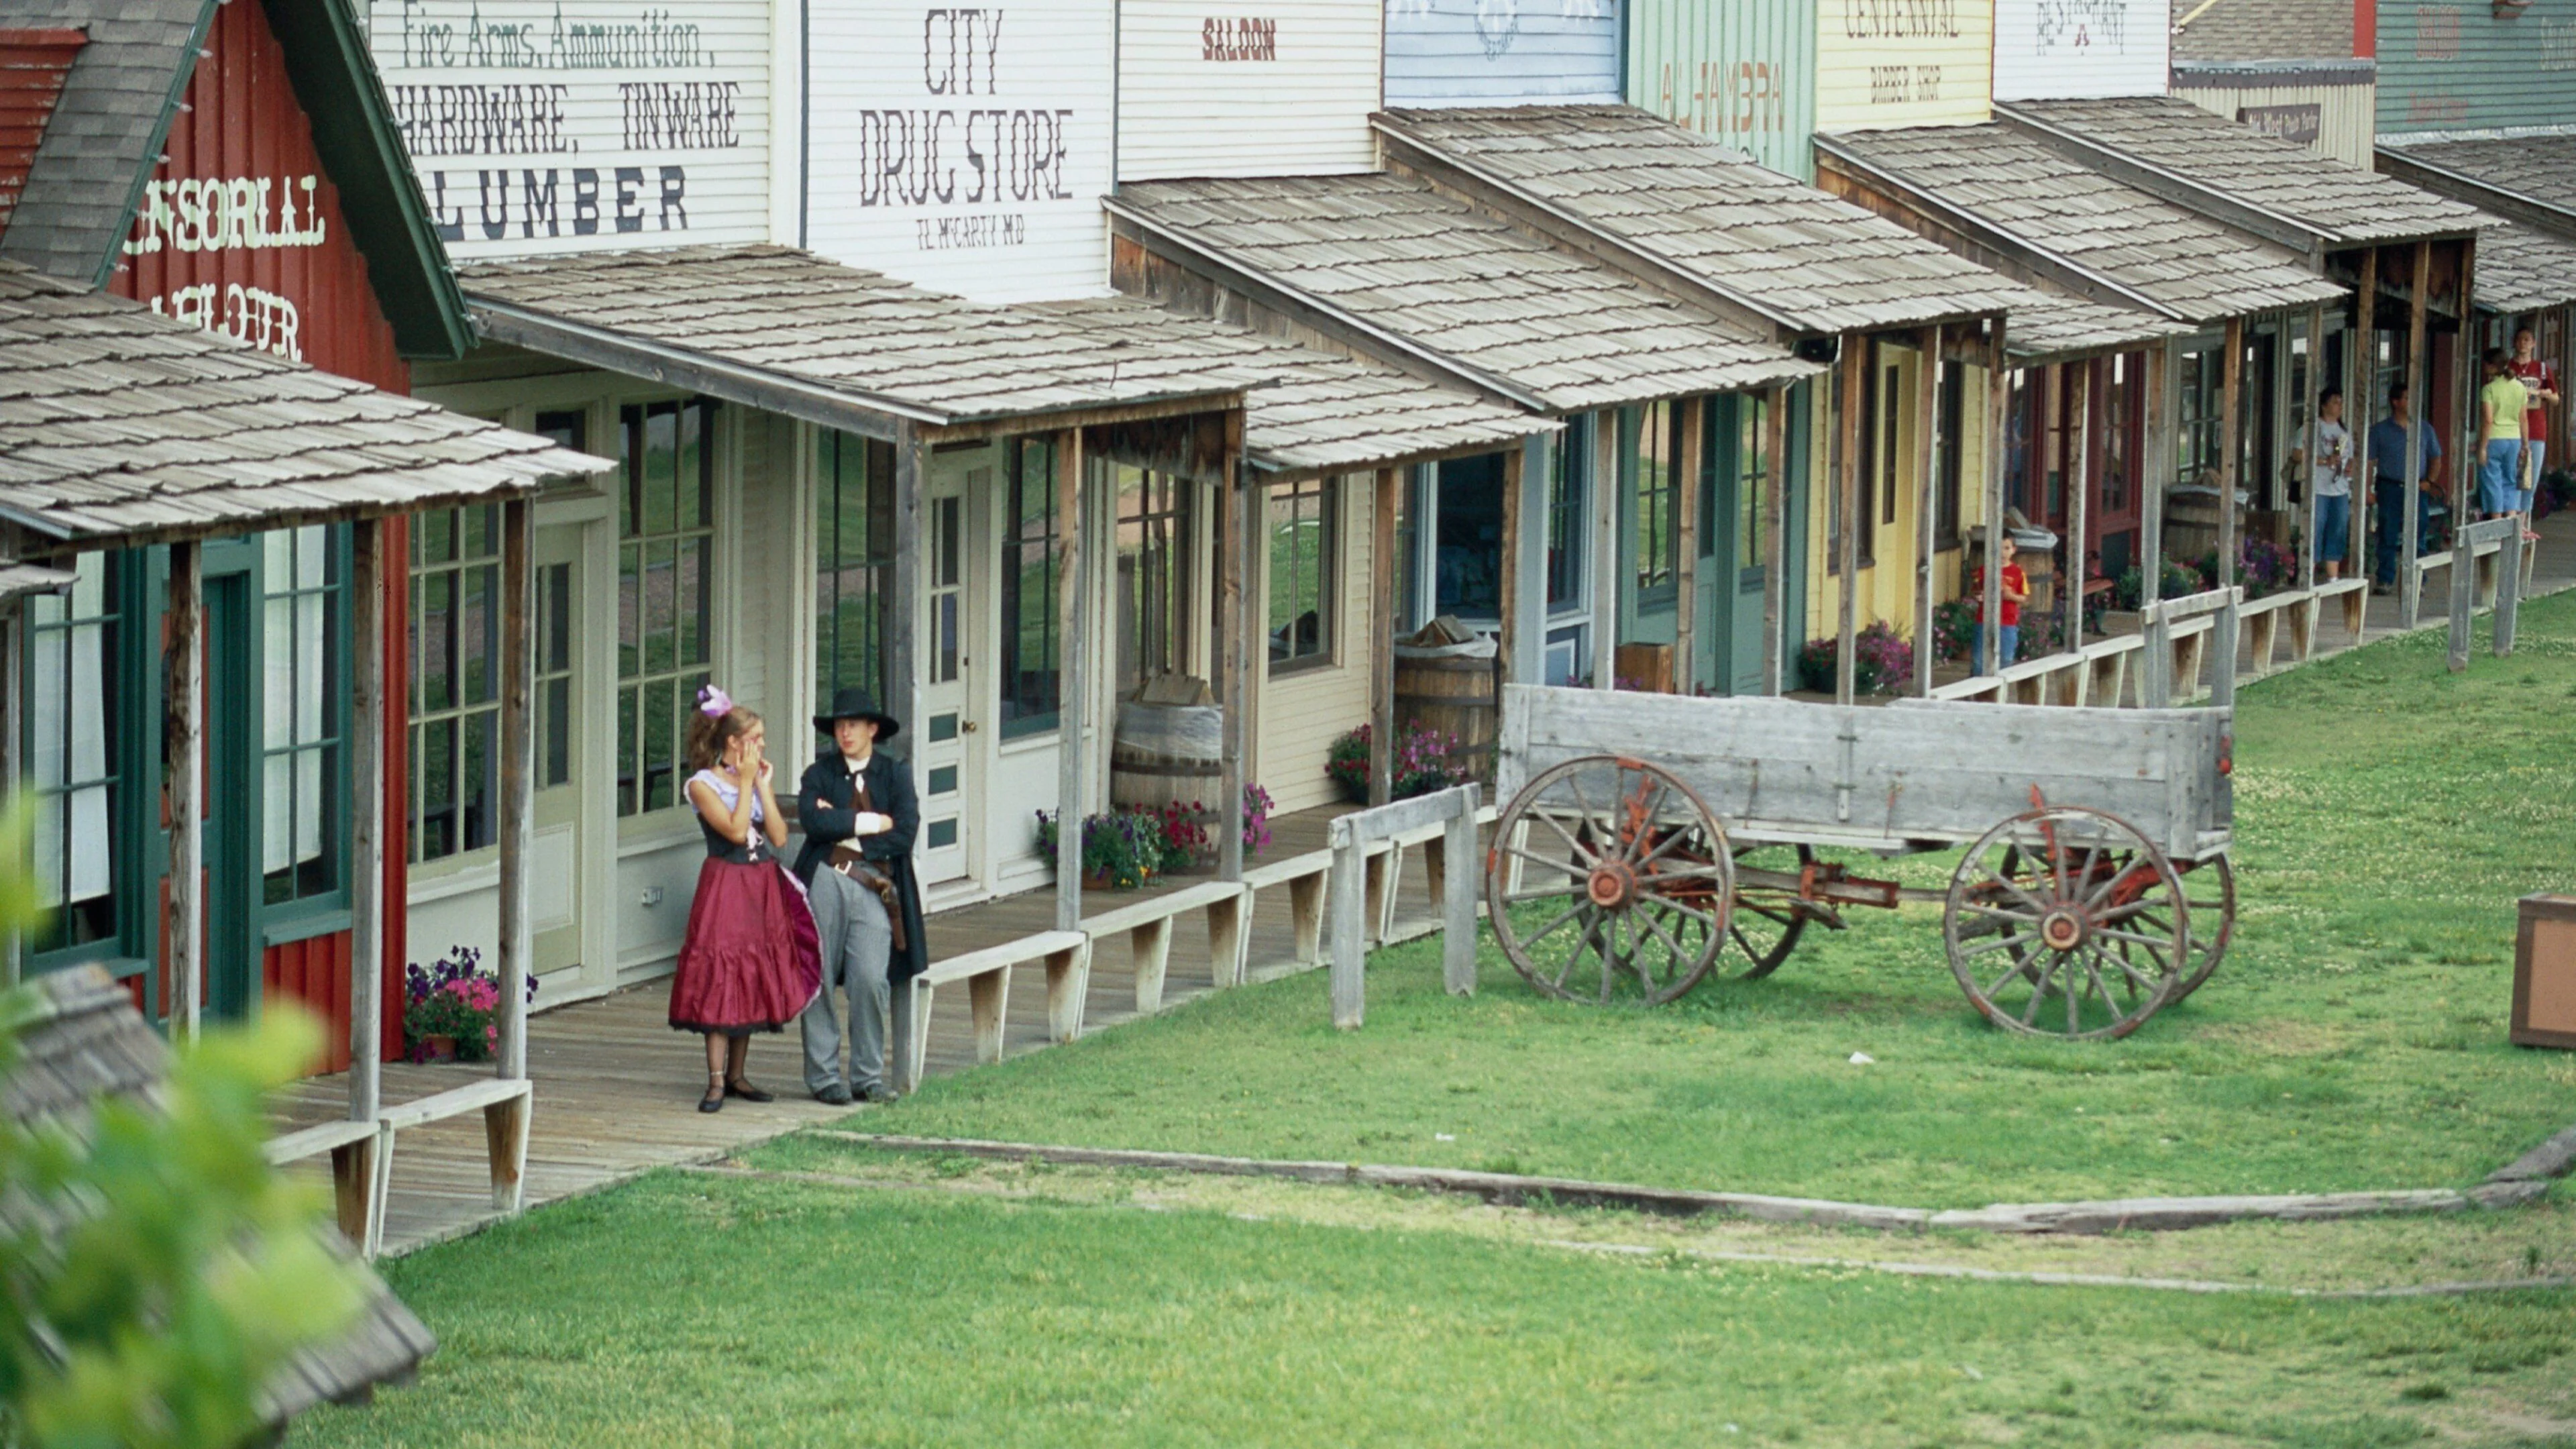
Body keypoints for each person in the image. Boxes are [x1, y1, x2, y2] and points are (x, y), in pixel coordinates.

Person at [667, 687, 822, 1114]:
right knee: (722, 971)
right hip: (726, 884)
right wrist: (747, 782)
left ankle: (738, 1075)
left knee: (752, 970)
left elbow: (778, 837)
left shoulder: (752, 781)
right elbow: (736, 832)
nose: (763, 745)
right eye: (756, 738)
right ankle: (716, 1079)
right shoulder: (702, 785)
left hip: (760, 885)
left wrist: (763, 788)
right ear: (734, 742)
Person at [794, 688, 928, 1106]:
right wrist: (870, 821)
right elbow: (814, 822)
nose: (845, 732)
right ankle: (824, 1078)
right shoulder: (820, 773)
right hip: (827, 877)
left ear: (872, 729)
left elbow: (905, 831)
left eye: (853, 724)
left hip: (876, 883)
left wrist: (846, 829)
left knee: (870, 978)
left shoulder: (895, 774)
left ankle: (867, 1076)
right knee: (817, 975)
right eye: (840, 725)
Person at [2366, 381, 2445, 595]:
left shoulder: (2424, 428)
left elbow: (2436, 457)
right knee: (2387, 533)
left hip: (2417, 487)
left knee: (2418, 533)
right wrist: (2367, 490)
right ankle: (2385, 579)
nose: (2412, 402)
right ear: (2396, 402)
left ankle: (2418, 580)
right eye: (2408, 398)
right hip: (2389, 486)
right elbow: (2370, 461)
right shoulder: (2380, 430)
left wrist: (2430, 481)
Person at [2292, 387, 2356, 580]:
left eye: (2341, 402)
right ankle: (2308, 573)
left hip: (2340, 488)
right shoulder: (2312, 428)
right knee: (2315, 527)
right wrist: (2322, 461)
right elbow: (2297, 454)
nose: (2340, 406)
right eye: (2335, 402)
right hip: (2317, 487)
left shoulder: (2344, 432)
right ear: (2324, 406)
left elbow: (2350, 457)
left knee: (2338, 528)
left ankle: (2332, 576)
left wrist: (2350, 467)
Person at [2510, 326, 2559, 540]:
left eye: (2527, 340)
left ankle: (2522, 522)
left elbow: (2556, 399)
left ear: (2534, 343)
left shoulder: (2542, 369)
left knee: (2531, 477)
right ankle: (2511, 522)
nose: (2523, 344)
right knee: (2512, 475)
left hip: (2536, 429)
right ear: (2515, 342)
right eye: (2520, 340)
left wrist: (2545, 394)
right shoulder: (2508, 368)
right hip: (2512, 427)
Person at [2478, 347, 2530, 527]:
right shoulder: (2519, 387)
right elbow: (2524, 418)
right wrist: (2525, 444)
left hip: (2494, 438)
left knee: (2492, 480)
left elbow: (2488, 420)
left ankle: (2496, 522)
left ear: (2492, 366)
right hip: (2514, 438)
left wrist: (2483, 447)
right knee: (2510, 480)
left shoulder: (2489, 389)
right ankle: (2512, 521)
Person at [1970, 533, 2028, 677]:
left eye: (2007, 548)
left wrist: (2011, 596)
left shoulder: (2018, 573)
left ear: (2014, 550)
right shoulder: (1984, 570)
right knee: (1978, 659)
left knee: (2006, 658)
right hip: (1985, 619)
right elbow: (1976, 591)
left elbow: (2024, 598)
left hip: (2008, 621)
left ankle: (1999, 688)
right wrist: (1979, 596)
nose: (2003, 552)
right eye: (1999, 548)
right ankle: (1976, 686)